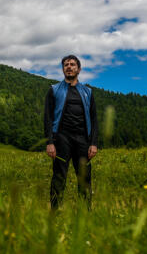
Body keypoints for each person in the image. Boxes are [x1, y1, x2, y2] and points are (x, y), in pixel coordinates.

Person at [44, 55, 99, 209]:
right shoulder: (54, 90)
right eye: (66, 65)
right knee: (59, 176)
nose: (69, 67)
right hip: (62, 138)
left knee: (85, 177)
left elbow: (94, 120)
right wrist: (50, 142)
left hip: (83, 140)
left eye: (72, 64)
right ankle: (54, 212)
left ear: (78, 69)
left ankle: (85, 213)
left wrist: (94, 143)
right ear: (63, 69)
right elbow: (48, 118)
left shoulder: (88, 92)